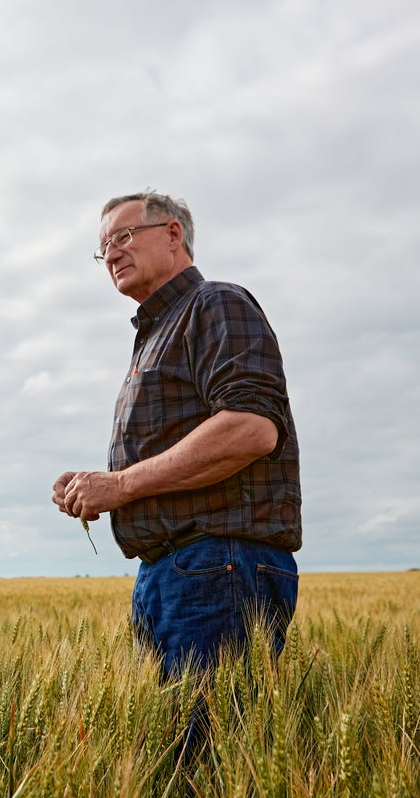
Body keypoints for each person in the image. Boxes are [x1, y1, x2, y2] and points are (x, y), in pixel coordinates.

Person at [52, 191, 301, 681]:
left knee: (203, 750)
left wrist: (121, 486)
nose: (113, 254)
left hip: (217, 564)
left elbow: (251, 428)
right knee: (172, 749)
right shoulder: (157, 331)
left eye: (124, 236)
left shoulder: (215, 303)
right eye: (104, 248)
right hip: (174, 571)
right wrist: (99, 485)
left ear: (173, 234)